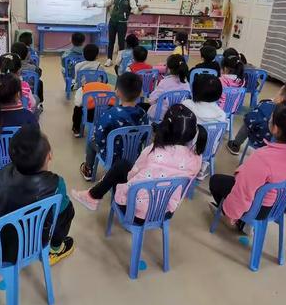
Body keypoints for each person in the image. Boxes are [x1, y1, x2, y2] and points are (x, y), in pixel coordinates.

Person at [71, 105, 206, 214]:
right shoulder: (197, 158)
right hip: (164, 211)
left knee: (120, 166)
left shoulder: (153, 152)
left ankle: (92, 196)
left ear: (164, 127)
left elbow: (133, 176)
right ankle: (92, 195)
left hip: (134, 211)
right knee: (123, 167)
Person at [209, 102, 286, 230]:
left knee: (216, 181)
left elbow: (243, 191)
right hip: (282, 207)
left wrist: (231, 213)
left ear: (276, 129)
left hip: (258, 210)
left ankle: (240, 221)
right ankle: (243, 221)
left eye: (271, 117)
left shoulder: (263, 157)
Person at [0, 124, 75, 265]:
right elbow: (58, 215)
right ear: (49, 156)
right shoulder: (55, 183)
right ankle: (56, 248)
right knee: (67, 210)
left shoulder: (1, 174)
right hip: (32, 244)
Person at [79, 72, 148, 180]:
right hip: (135, 156)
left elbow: (99, 137)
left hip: (112, 157)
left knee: (91, 142)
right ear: (140, 93)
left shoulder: (110, 114)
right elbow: (144, 136)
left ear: (117, 92)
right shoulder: (143, 113)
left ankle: (88, 169)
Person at [227, 81, 286, 155]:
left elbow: (250, 120)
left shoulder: (266, 107)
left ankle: (235, 144)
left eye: (279, 92)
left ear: (281, 99)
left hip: (261, 141)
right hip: (281, 150)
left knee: (247, 123)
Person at [88, 0, 148, 67]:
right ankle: (109, 59)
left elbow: (135, 11)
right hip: (112, 22)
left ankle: (120, 60)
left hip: (122, 23)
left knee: (121, 43)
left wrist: (140, 8)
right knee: (111, 41)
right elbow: (105, 3)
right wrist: (93, 4)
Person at [147, 54, 190, 120]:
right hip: (178, 115)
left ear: (169, 68)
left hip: (161, 115)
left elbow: (151, 100)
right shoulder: (186, 83)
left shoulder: (164, 82)